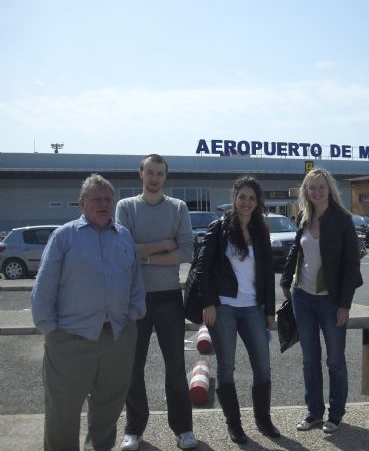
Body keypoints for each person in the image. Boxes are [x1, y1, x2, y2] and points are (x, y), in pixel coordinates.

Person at [31, 174, 146, 451]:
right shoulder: (64, 236)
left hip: (117, 337)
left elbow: (135, 281)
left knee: (108, 406)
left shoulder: (124, 236)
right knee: (63, 410)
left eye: (108, 199)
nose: (104, 204)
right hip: (70, 339)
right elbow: (43, 286)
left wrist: (132, 315)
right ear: (82, 204)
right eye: (97, 199)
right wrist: (51, 330)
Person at [115, 154, 197, 450]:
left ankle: (183, 428)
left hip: (168, 299)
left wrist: (144, 256)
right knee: (132, 367)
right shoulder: (126, 207)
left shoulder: (178, 207)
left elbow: (186, 251)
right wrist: (163, 245)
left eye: (159, 173)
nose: (154, 178)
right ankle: (134, 428)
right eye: (149, 172)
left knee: (175, 366)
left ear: (165, 177)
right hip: (134, 299)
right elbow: (123, 249)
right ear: (140, 174)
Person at [196, 176, 280, 444]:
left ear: (258, 202)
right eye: (242, 197)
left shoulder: (261, 230)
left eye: (252, 198)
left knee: (263, 368)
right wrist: (208, 302)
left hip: (253, 307)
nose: (247, 202)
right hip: (224, 308)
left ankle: (263, 421)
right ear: (234, 198)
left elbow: (267, 273)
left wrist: (269, 309)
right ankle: (234, 424)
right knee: (226, 368)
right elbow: (202, 268)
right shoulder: (219, 228)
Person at [280, 168, 363, 433]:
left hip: (331, 300)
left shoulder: (342, 220)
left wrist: (345, 305)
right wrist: (286, 281)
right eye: (311, 188)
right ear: (306, 191)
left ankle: (335, 414)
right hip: (302, 298)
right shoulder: (304, 216)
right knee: (309, 360)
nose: (316, 192)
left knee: (335, 361)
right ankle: (314, 413)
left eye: (321, 187)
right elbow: (297, 249)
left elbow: (351, 265)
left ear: (330, 190)